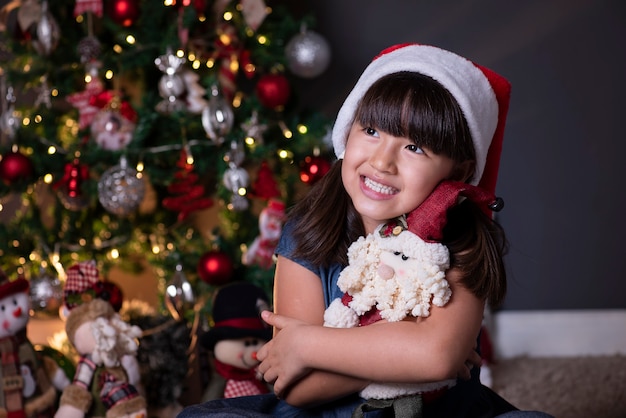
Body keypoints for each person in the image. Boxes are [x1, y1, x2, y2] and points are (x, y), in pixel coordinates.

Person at [178, 44, 554, 417]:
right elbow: (293, 386)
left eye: (415, 147)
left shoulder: (461, 237)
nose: (381, 161)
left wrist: (308, 343)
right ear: (347, 131)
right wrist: (410, 356)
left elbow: (436, 357)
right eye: (371, 130)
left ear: (456, 172)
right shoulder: (307, 231)